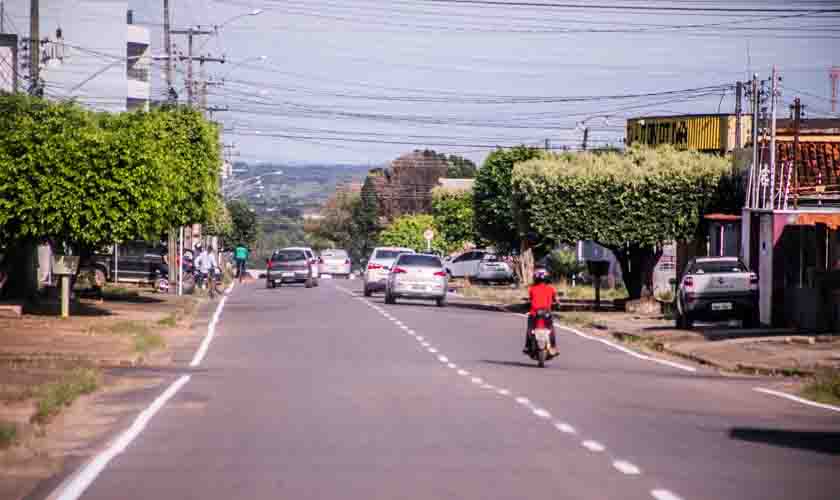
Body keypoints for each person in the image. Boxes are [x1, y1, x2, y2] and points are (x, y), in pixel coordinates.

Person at [524, 268, 557, 354]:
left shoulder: (532, 289)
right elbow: (556, 300)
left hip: (534, 313)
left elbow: (530, 299)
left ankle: (527, 346)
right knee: (551, 329)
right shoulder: (551, 289)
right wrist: (557, 303)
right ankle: (553, 347)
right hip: (547, 313)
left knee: (529, 329)